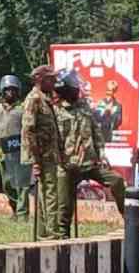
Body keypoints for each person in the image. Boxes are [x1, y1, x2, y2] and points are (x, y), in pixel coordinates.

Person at [53, 69, 126, 239]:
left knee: (116, 180)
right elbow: (53, 141)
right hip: (67, 166)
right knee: (64, 208)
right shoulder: (55, 112)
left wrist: (101, 153)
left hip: (90, 163)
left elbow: (96, 131)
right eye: (74, 88)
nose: (78, 90)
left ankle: (128, 217)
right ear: (66, 90)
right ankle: (63, 239)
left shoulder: (84, 106)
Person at [21, 65, 61, 239]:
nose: (54, 82)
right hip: (41, 155)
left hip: (49, 154)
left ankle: (43, 232)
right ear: (39, 79)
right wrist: (36, 160)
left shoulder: (46, 99)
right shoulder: (34, 99)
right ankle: (52, 233)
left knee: (46, 193)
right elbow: (29, 130)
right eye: (50, 79)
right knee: (50, 193)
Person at [0, 75, 32, 221]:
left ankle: (22, 214)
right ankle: (14, 209)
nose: (10, 93)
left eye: (13, 90)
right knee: (8, 184)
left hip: (20, 151)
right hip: (4, 152)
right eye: (7, 90)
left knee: (22, 185)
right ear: (2, 91)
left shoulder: (23, 109)